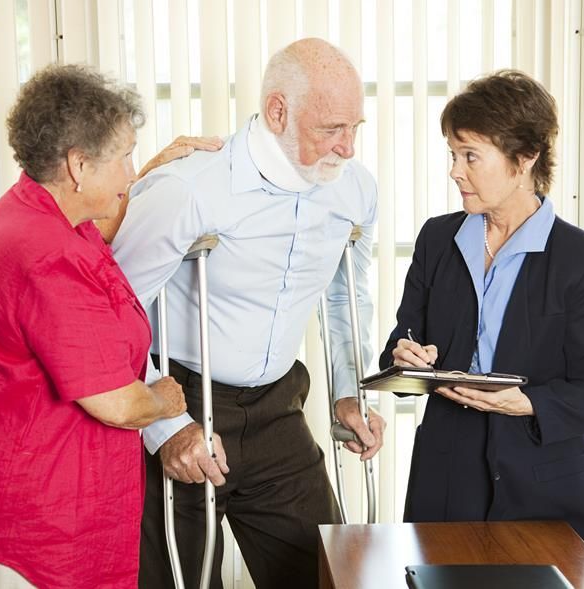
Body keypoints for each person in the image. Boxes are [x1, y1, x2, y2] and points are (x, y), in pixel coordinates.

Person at [0, 64, 221, 588]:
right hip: (22, 530)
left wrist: (145, 181)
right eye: (124, 157)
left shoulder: (45, 211)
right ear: (78, 164)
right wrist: (169, 399)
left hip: (40, 513)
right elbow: (118, 404)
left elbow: (102, 221)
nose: (129, 170)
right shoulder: (43, 252)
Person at [111, 38, 386, 588]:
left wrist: (350, 390)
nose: (348, 147)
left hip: (278, 406)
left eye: (355, 126)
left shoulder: (354, 190)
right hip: (184, 396)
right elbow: (113, 311)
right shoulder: (189, 188)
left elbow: (345, 298)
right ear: (278, 111)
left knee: (323, 575)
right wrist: (165, 428)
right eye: (332, 128)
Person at [380, 70, 584, 563]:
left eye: (470, 155)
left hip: (545, 486)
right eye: (453, 155)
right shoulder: (438, 239)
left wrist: (528, 404)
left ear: (525, 159)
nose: (456, 171)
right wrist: (408, 354)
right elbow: (405, 336)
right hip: (445, 477)